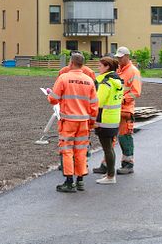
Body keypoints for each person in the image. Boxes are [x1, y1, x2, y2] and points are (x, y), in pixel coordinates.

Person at [47, 52, 98, 193]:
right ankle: (80, 180)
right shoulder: (89, 80)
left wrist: (50, 95)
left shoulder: (64, 77)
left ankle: (69, 182)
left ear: (71, 63)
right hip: (83, 121)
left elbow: (53, 99)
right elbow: (94, 105)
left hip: (68, 121)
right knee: (81, 150)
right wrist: (91, 123)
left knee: (67, 150)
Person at [92, 57, 124, 184]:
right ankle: (110, 174)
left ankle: (111, 176)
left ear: (107, 67)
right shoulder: (117, 81)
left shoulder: (106, 83)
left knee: (107, 148)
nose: (98, 68)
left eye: (100, 66)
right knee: (110, 147)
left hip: (104, 119)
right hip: (114, 118)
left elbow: (98, 101)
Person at [114, 46, 142, 174]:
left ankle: (128, 163)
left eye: (121, 57)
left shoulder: (133, 71)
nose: (119, 59)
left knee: (125, 136)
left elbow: (136, 92)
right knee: (114, 137)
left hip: (125, 109)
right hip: (116, 109)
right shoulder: (119, 70)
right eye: (118, 57)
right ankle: (107, 163)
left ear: (127, 56)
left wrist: (122, 99)